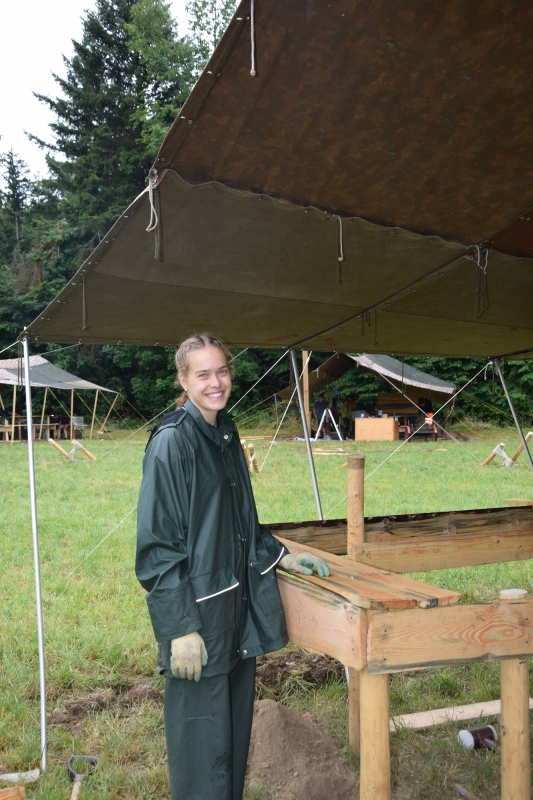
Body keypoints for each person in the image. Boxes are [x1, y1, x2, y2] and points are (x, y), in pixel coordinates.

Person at [136, 334, 329, 800]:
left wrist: (283, 555)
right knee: (201, 740)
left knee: (231, 736)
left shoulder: (225, 431)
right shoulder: (172, 442)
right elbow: (158, 546)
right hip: (198, 620)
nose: (215, 382)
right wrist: (180, 629)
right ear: (183, 381)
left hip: (236, 609)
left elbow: (242, 520)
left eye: (221, 371)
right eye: (202, 374)